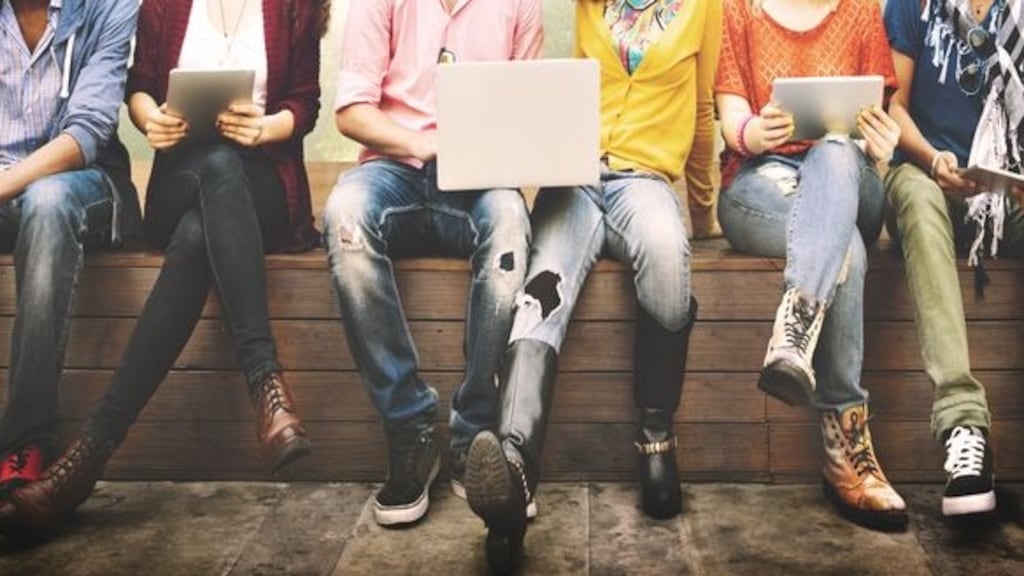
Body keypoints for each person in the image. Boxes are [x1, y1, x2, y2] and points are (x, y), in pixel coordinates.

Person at [0, 0, 329, 541]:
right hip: (182, 176)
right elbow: (141, 85)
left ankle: (85, 460)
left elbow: (306, 103)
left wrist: (265, 126)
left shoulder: (293, 5)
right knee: (212, 174)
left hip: (262, 184)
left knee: (204, 224)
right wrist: (152, 118)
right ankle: (266, 384)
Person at [463, 0, 718, 572]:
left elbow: (701, 110)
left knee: (667, 253)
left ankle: (657, 435)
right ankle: (513, 468)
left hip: (644, 180)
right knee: (540, 291)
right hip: (575, 180)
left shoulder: (705, 7)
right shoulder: (589, 5)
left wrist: (703, 212)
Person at [323, 0, 541, 528]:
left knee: (511, 221)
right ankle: (410, 430)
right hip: (392, 169)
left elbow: (530, 111)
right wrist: (420, 142)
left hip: (477, 179)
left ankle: (475, 434)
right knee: (344, 217)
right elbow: (352, 110)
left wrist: (497, 147)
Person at [715, 0, 908, 530]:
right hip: (764, 183)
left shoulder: (862, 10)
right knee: (842, 246)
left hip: (852, 177)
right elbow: (731, 113)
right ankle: (847, 444)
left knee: (836, 149)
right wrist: (754, 134)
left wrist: (883, 145)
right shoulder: (740, 10)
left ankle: (796, 326)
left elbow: (880, 119)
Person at [0, 0, 141, 500]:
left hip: (84, 183)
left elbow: (86, 131)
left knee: (47, 200)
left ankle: (24, 442)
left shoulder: (110, 7)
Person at [882, 0, 1017, 517]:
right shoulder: (910, 6)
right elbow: (894, 106)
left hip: (1005, 194)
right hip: (927, 174)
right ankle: (963, 424)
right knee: (916, 198)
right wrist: (934, 159)